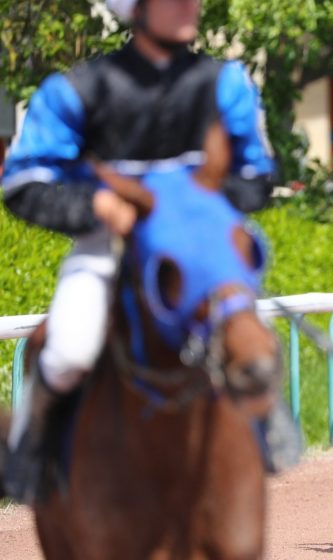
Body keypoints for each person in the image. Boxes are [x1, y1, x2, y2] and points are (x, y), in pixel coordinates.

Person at [2, 0, 298, 503]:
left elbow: (257, 174)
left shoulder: (226, 83)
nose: (189, 6)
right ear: (136, 10)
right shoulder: (79, 88)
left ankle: (266, 422)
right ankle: (27, 449)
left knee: (249, 334)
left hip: (200, 248)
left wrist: (199, 206)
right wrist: (94, 204)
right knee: (70, 347)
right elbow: (23, 180)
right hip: (109, 243)